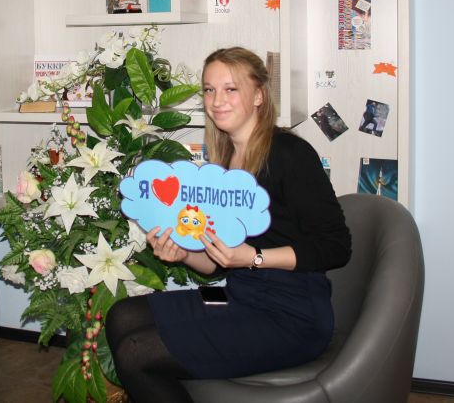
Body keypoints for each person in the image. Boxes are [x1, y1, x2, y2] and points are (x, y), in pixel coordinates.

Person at [106, 47, 351, 402]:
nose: (217, 100)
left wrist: (254, 258)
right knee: (122, 316)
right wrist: (182, 253)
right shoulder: (220, 165)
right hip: (236, 296)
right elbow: (216, 262)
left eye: (231, 89)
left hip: (290, 313)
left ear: (258, 96)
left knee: (136, 352)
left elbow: (337, 246)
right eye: (209, 89)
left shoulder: (290, 154)